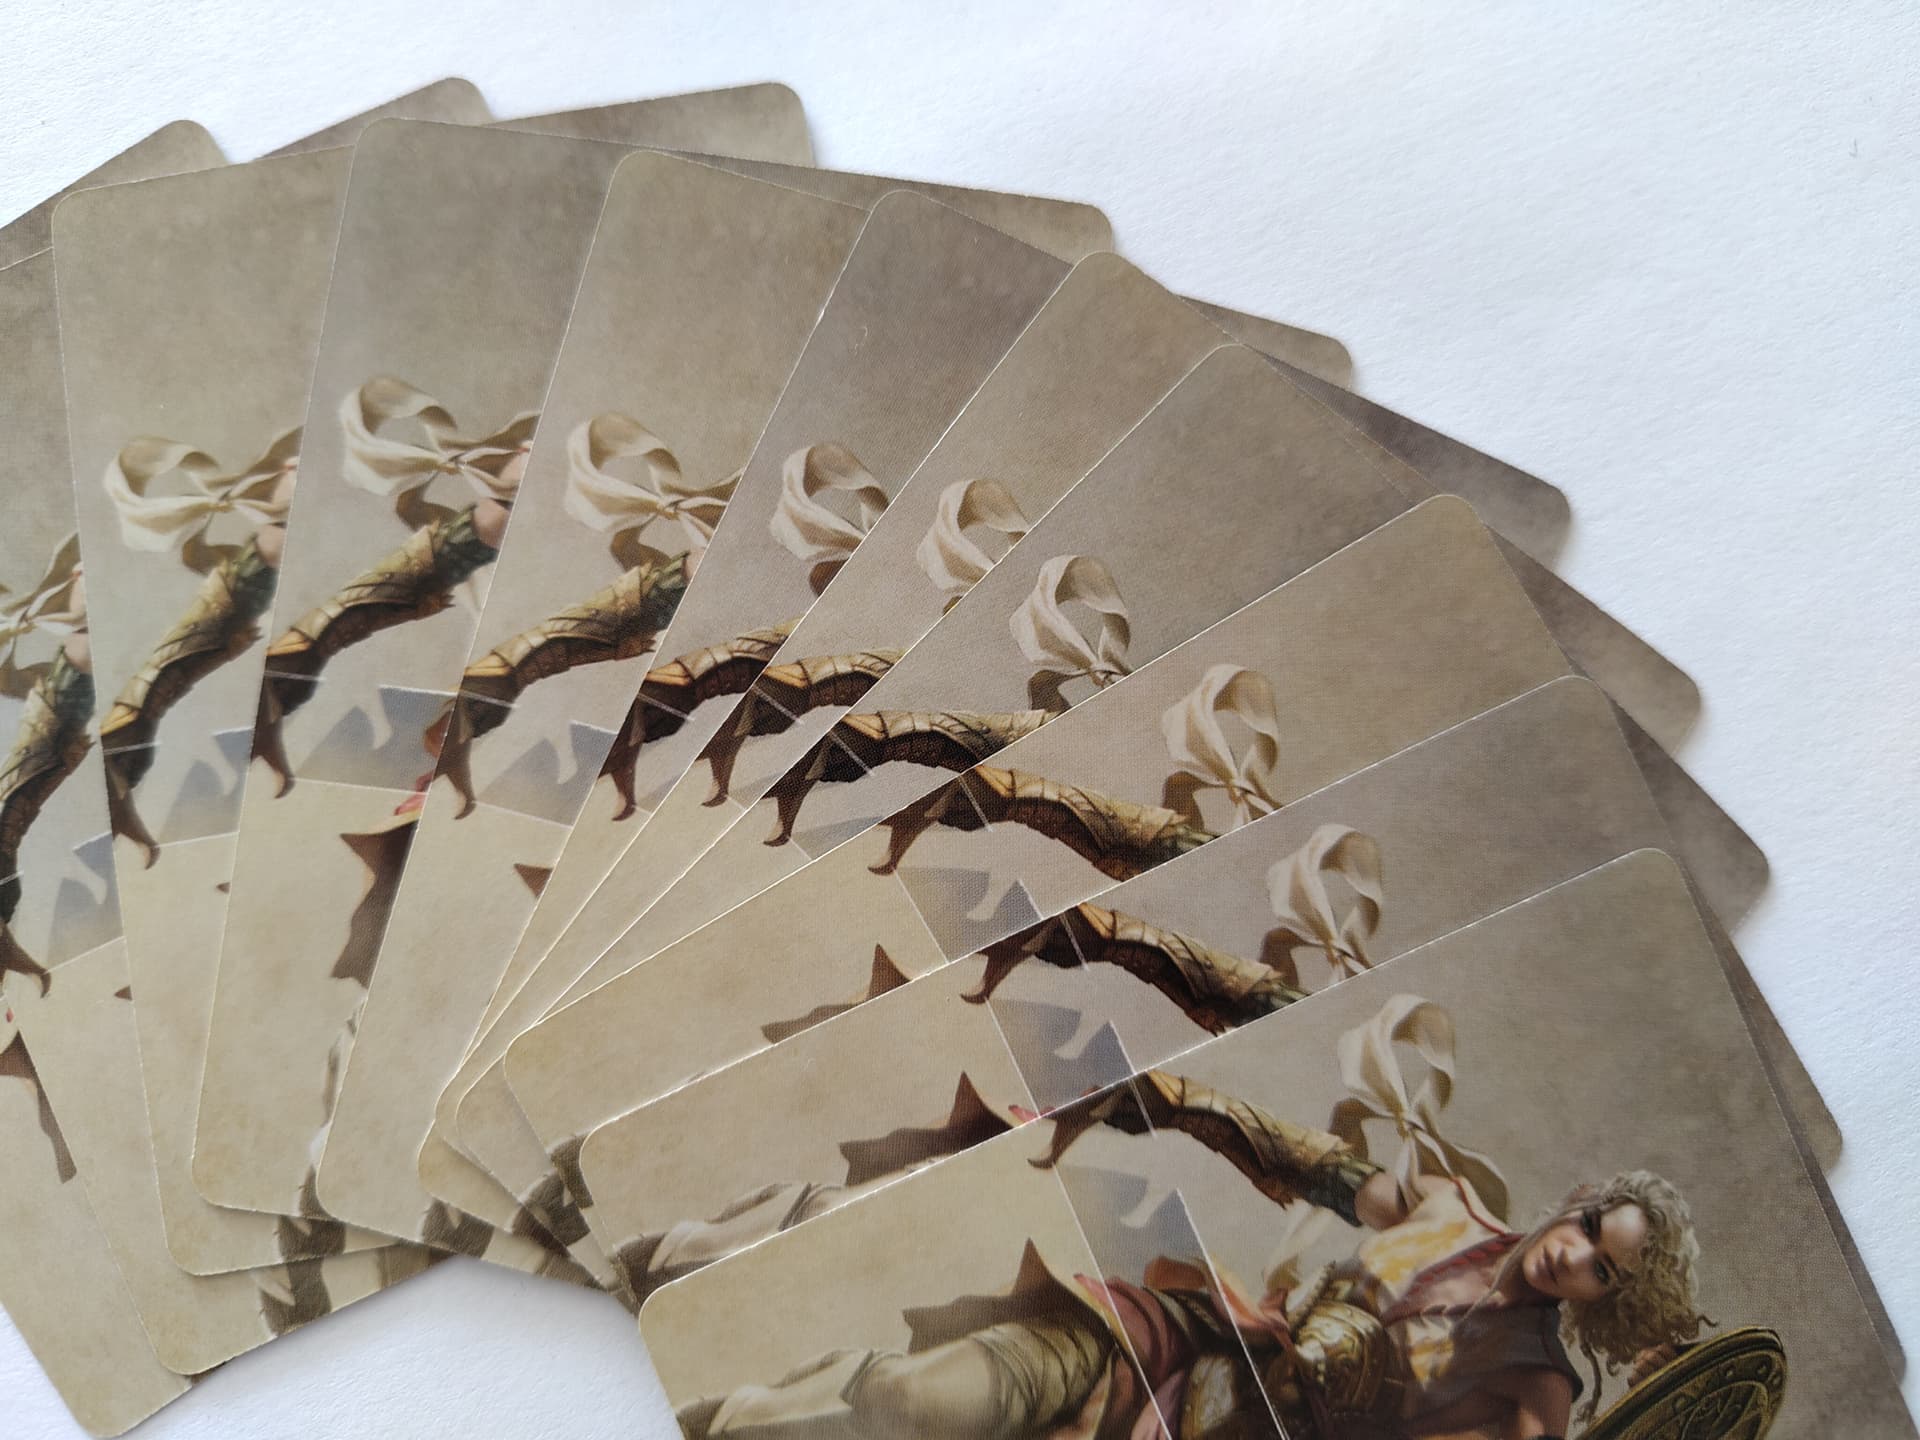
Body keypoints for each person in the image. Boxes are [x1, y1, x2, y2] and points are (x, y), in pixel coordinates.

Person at [679, 1070, 1707, 1440]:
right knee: (916, 1400)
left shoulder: (1537, 1391)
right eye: (1591, 1231)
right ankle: (734, 1416)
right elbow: (1298, 1158)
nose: (1575, 1258)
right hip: (1189, 1346)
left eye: (1604, 1271)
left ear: (1609, 1298)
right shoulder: (1446, 1205)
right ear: (1581, 1204)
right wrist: (1163, 1099)